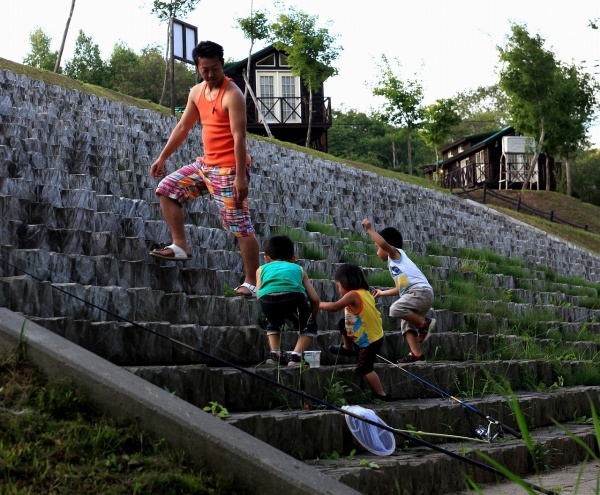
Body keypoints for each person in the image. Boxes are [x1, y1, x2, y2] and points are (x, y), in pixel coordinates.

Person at [149, 40, 259, 297]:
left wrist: (241, 177)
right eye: (204, 70)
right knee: (167, 188)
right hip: (205, 165)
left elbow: (239, 138)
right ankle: (179, 245)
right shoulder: (196, 92)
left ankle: (252, 281)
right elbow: (182, 127)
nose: (209, 75)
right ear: (198, 68)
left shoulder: (233, 95)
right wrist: (163, 157)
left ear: (222, 64)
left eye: (214, 69)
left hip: (230, 170)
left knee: (240, 226)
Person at [361, 218, 436, 363]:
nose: (377, 252)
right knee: (406, 324)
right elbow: (399, 288)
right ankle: (417, 355)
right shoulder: (396, 265)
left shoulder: (395, 254)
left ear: (386, 246)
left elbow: (383, 243)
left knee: (395, 309)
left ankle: (423, 323)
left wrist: (369, 229)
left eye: (377, 247)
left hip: (419, 292)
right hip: (418, 293)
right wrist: (382, 293)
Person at [320, 263, 392, 401]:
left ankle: (380, 393)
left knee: (366, 367)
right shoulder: (365, 293)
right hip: (370, 334)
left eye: (338, 286)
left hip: (369, 340)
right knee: (343, 323)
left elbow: (335, 307)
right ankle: (348, 348)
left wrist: (317, 303)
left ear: (346, 283)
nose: (339, 289)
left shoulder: (352, 295)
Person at [255, 235, 320, 367]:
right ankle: (296, 356)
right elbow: (315, 299)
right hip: (293, 297)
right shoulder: (298, 269)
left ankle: (274, 354)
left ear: (266, 258)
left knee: (273, 323)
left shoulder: (261, 269)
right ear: (294, 258)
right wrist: (311, 316)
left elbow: (258, 293)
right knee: (309, 327)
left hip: (267, 299)